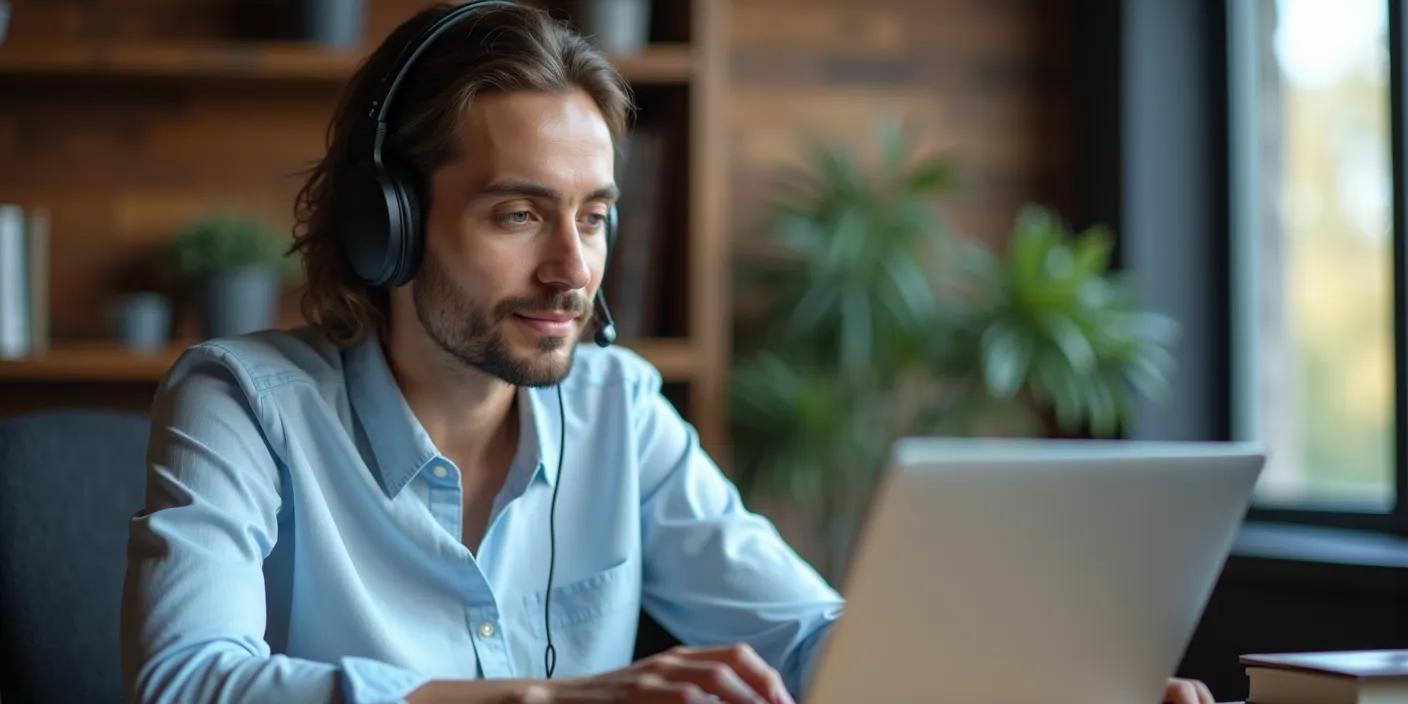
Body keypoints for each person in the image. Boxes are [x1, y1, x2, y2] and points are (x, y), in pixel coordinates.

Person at [117, 3, 1217, 704]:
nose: (571, 269)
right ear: (386, 225)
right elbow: (186, 679)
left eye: (592, 216)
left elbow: (796, 631)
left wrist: (1046, 687)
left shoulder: (616, 405)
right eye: (517, 214)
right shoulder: (241, 401)